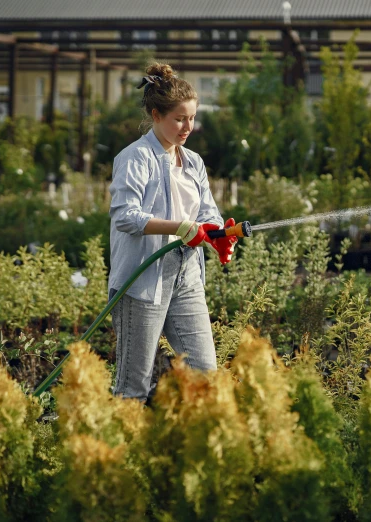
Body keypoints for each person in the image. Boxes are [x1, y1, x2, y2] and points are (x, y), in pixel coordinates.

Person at [108, 62, 237, 403]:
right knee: (132, 387)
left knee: (205, 375)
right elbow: (126, 216)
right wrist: (181, 227)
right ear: (156, 114)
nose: (187, 127)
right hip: (142, 279)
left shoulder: (193, 162)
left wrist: (221, 234)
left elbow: (207, 212)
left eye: (192, 118)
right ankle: (115, 452)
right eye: (179, 118)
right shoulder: (135, 158)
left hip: (186, 275)